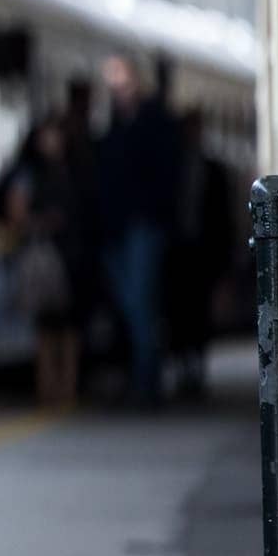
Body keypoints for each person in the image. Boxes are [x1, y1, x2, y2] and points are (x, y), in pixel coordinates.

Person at [93, 54, 178, 407]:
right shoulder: (112, 124)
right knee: (132, 303)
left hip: (144, 225)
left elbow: (165, 175)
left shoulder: (152, 121)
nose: (117, 89)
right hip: (116, 228)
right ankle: (143, 373)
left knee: (140, 303)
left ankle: (146, 381)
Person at [0, 117, 87, 406]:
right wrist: (41, 223)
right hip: (46, 253)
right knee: (48, 324)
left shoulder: (72, 170)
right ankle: (50, 388)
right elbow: (15, 212)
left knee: (67, 323)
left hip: (69, 253)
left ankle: (66, 388)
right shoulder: (32, 173)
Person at [163, 110, 232, 398]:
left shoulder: (213, 169)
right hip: (177, 251)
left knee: (199, 309)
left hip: (203, 251)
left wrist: (224, 257)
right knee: (178, 309)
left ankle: (196, 365)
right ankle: (182, 364)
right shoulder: (170, 168)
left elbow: (224, 217)